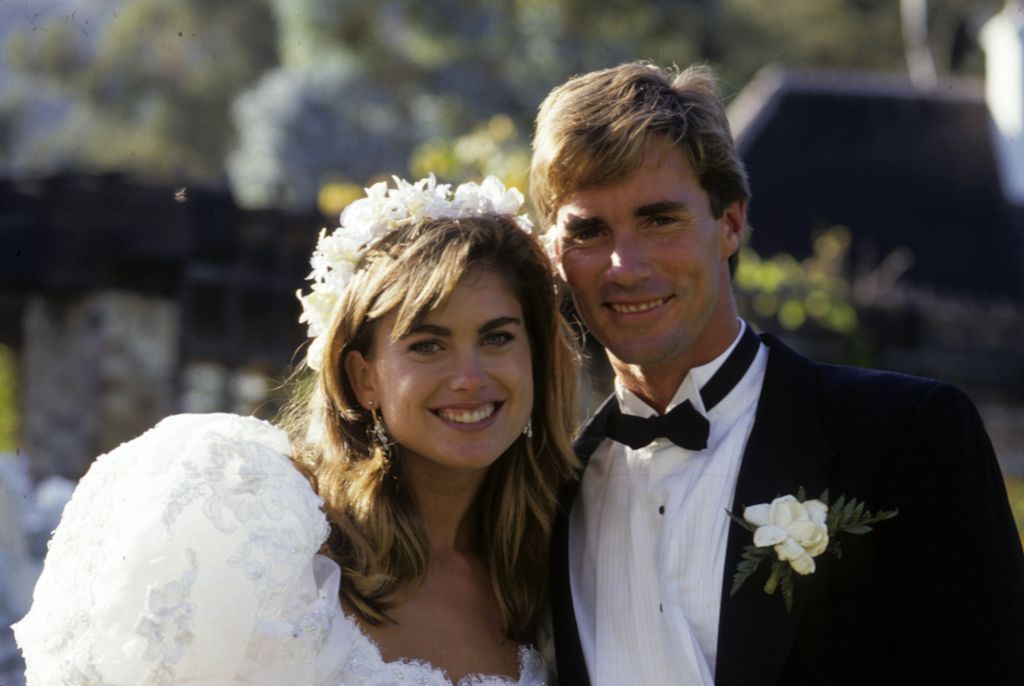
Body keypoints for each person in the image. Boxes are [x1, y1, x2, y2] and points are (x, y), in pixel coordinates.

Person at [530, 61, 1024, 685]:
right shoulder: (546, 496)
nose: (625, 265)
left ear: (731, 224)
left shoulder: (905, 437)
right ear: (553, 251)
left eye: (660, 219)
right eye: (589, 231)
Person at [13, 175, 580, 685]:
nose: (469, 378)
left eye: (498, 338)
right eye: (427, 344)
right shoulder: (259, 536)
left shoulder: (556, 561)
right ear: (364, 379)